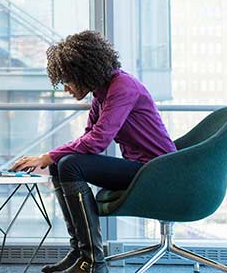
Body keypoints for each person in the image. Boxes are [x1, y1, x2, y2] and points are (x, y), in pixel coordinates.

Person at [13, 30, 177, 273]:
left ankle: (93, 262)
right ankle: (80, 251)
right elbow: (89, 136)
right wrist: (52, 158)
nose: (66, 88)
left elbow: (97, 141)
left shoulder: (123, 87)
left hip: (157, 171)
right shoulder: (102, 94)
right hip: (142, 168)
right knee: (62, 163)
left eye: (68, 80)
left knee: (67, 163)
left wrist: (47, 155)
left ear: (83, 73)